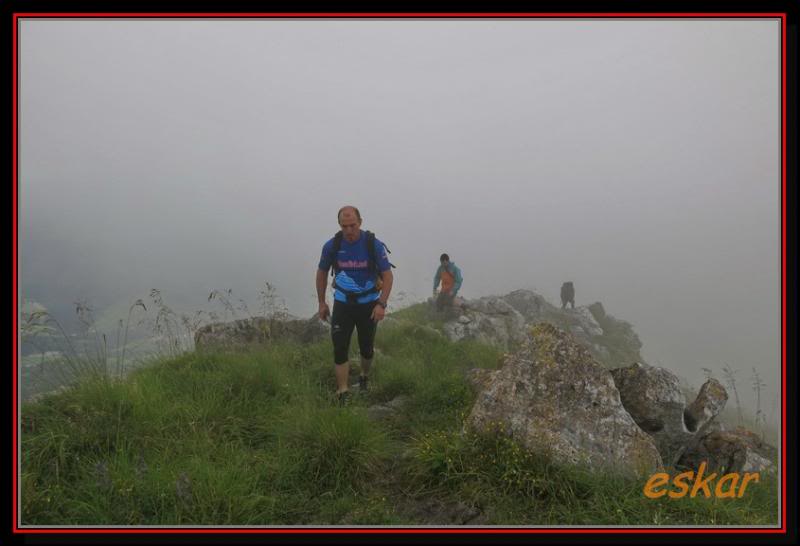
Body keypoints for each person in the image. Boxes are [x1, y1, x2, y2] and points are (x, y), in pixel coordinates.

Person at [316, 206, 393, 406]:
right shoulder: (332, 246)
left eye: (353, 225)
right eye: (344, 226)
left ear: (360, 222)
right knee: (340, 347)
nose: (349, 230)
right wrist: (322, 302)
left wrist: (381, 304)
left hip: (369, 305)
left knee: (366, 348)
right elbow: (322, 273)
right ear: (339, 225)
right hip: (343, 303)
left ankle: (364, 376)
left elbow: (388, 276)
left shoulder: (373, 245)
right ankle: (343, 391)